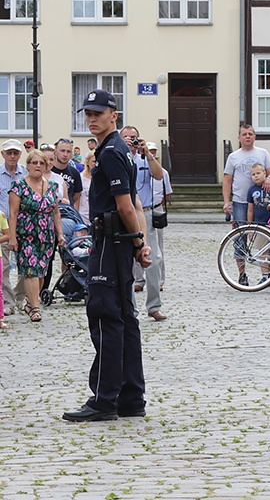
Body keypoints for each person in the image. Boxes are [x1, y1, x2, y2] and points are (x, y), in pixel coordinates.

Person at [62, 89, 152, 422]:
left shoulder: (112, 151)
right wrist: (138, 243)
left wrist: (137, 240)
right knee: (125, 319)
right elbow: (132, 205)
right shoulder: (115, 149)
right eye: (87, 113)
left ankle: (104, 399)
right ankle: (131, 396)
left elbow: (126, 205)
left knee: (104, 316)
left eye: (98, 113)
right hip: (119, 240)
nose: (91, 118)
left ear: (114, 115)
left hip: (109, 240)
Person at [7, 150, 65, 323]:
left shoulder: (52, 186)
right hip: (26, 234)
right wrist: (12, 237)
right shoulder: (18, 186)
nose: (38, 166)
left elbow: (56, 213)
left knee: (41, 272)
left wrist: (60, 234)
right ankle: (35, 308)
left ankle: (30, 303)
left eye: (41, 163)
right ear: (28, 165)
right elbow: (13, 213)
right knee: (30, 271)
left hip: (46, 234)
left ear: (46, 166)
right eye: (34, 162)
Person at [121, 125, 167, 322]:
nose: (131, 140)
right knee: (127, 264)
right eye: (127, 137)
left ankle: (154, 306)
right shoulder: (118, 157)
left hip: (146, 213)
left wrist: (147, 154)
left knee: (154, 260)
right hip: (125, 214)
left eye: (134, 137)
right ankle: (131, 309)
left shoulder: (144, 158)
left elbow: (158, 175)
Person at [222, 123, 270, 224]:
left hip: (260, 200)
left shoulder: (263, 153)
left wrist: (269, 178)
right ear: (239, 138)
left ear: (254, 137)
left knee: (261, 231)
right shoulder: (233, 157)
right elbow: (227, 181)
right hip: (240, 200)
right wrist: (226, 202)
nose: (247, 136)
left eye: (250, 134)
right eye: (244, 134)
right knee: (240, 232)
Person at [0, 139, 27, 315]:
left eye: (15, 153)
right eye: (9, 152)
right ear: (3, 154)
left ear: (19, 155)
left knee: (26, 266)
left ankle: (20, 297)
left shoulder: (25, 173)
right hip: (2, 225)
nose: (12, 156)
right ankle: (8, 302)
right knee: (3, 266)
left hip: (23, 225)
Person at [146, 143, 172, 291]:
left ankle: (160, 280)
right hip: (141, 208)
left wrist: (158, 206)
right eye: (150, 151)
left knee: (158, 246)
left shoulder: (163, 172)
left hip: (156, 208)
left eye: (154, 151)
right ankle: (138, 280)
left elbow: (167, 193)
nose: (153, 153)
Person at [51, 138, 84, 207]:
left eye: (68, 151)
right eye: (62, 151)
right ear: (55, 151)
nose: (65, 154)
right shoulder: (48, 171)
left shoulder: (75, 173)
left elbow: (77, 198)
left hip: (68, 212)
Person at [79, 152, 95, 223]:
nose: (96, 164)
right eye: (94, 161)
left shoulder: (103, 179)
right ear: (87, 162)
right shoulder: (80, 178)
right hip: (83, 217)